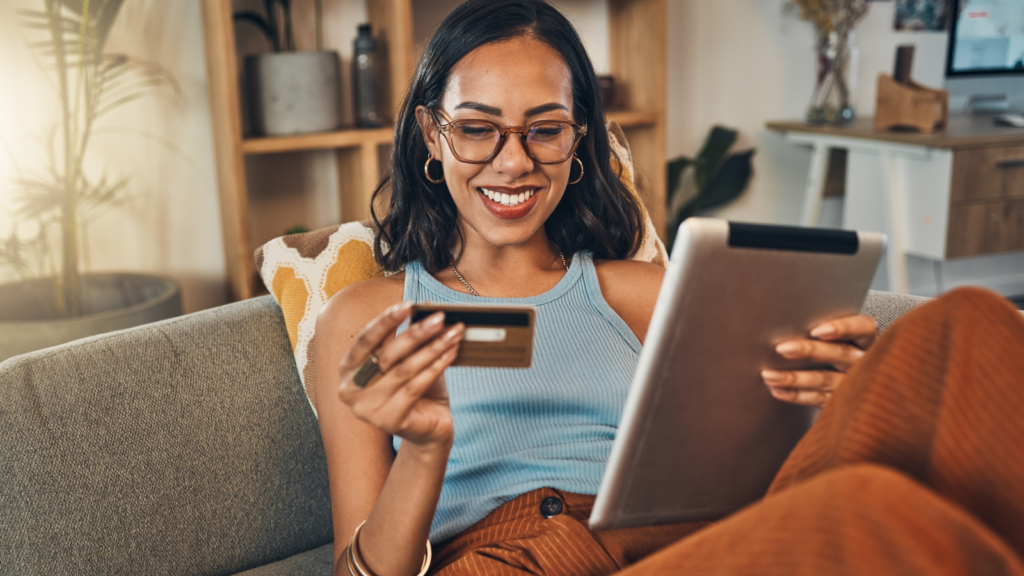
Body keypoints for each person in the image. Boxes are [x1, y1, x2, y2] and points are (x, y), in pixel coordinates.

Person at [314, 1, 1024, 575]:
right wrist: (430, 449)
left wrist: (852, 393)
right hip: (505, 559)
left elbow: (747, 453)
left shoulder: (645, 292)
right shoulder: (367, 318)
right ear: (431, 135)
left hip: (674, 542)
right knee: (868, 513)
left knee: (971, 322)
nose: (512, 162)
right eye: (478, 130)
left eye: (545, 130)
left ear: (578, 138)